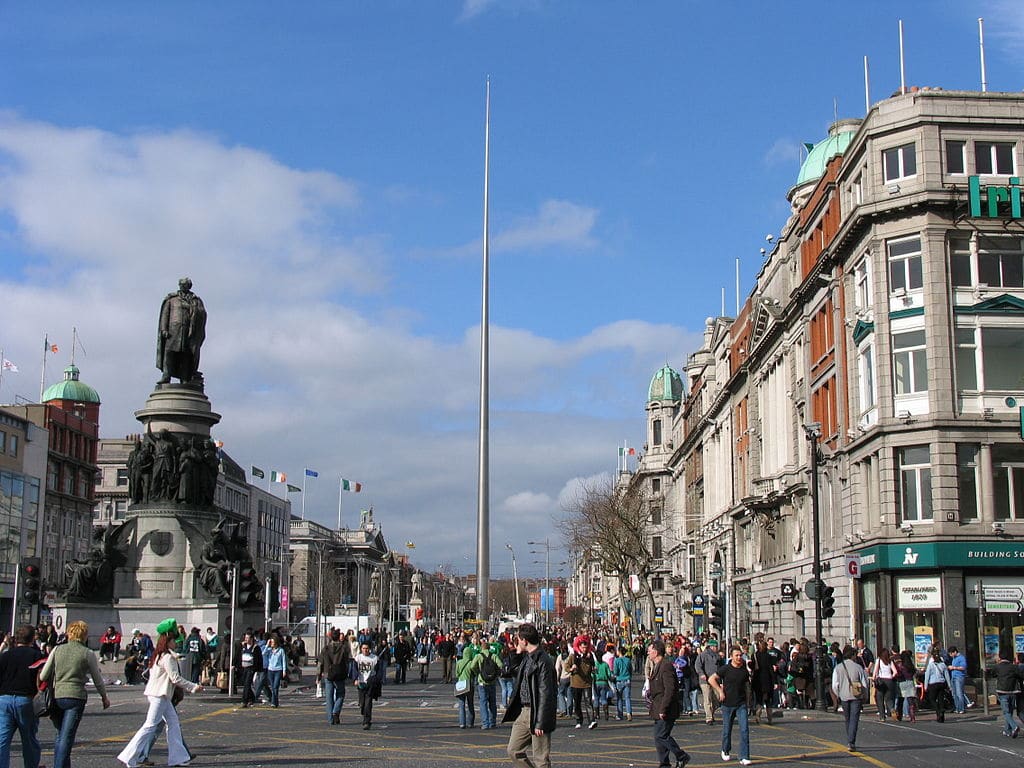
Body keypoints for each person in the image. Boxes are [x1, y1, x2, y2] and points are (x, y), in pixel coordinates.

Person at [117, 619, 202, 767]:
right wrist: (193, 686)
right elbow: (175, 678)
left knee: (173, 724)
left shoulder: (159, 655)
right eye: (173, 641)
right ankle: (129, 756)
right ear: (168, 641)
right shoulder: (167, 657)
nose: (176, 643)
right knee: (150, 726)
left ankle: (178, 757)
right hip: (160, 695)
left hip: (160, 694)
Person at [39, 620, 110, 768]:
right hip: (76, 696)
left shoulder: (57, 650)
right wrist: (104, 697)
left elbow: (43, 675)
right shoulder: (87, 653)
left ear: (69, 634)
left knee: (60, 735)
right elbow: (97, 679)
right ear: (84, 635)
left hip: (57, 696)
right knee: (67, 737)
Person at [502, 623, 556, 768]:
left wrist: (540, 721)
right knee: (513, 750)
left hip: (538, 710)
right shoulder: (527, 657)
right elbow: (515, 671)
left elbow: (546, 693)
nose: (517, 641)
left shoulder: (543, 660)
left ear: (524, 640)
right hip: (524, 711)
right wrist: (516, 652)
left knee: (541, 759)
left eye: (518, 639)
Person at [0, 625, 44, 768]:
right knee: (29, 740)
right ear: (32, 638)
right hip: (26, 698)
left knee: (3, 739)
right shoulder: (36, 655)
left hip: (4, 699)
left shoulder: (6, 655)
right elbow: (42, 677)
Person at [647, 640, 691, 768]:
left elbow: (670, 689)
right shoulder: (657, 665)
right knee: (658, 737)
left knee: (662, 735)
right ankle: (664, 763)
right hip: (657, 706)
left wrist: (663, 708)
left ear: (656, 652)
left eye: (650, 650)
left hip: (666, 708)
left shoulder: (666, 665)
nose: (648, 653)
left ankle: (682, 756)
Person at [157, 277, 207, 384]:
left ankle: (184, 378)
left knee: (185, 356)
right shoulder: (172, 299)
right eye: (182, 285)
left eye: (186, 285)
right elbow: (165, 315)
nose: (183, 287)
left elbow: (202, 315)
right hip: (173, 331)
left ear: (189, 286)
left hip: (188, 333)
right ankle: (166, 375)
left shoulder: (195, 300)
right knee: (169, 354)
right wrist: (164, 329)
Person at [708, 647, 752, 765]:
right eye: (736, 655)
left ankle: (744, 756)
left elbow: (747, 687)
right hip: (727, 704)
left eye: (740, 655)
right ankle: (725, 749)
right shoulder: (725, 669)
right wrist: (720, 691)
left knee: (744, 730)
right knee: (727, 730)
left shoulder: (744, 671)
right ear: (731, 656)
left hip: (741, 704)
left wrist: (748, 702)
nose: (739, 658)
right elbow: (711, 679)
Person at [832, 645, 869, 751]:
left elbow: (835, 684)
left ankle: (850, 739)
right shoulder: (858, 667)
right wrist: (865, 695)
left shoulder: (838, 667)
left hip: (843, 696)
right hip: (856, 696)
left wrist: (838, 694)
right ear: (852, 656)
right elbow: (864, 683)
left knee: (847, 718)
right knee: (854, 718)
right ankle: (851, 741)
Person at [318, 629, 351, 724]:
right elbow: (347, 661)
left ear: (331, 637)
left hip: (328, 673)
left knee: (329, 697)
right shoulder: (344, 648)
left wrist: (318, 676)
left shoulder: (326, 649)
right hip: (340, 673)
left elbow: (320, 663)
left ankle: (330, 719)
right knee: (340, 694)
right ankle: (336, 711)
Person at [994, 651, 1023, 738]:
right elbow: (1020, 676)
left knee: (1006, 712)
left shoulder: (997, 667)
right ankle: (1007, 730)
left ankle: (1014, 726)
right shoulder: (1014, 667)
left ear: (1000, 658)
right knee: (1010, 710)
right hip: (1013, 691)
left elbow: (992, 674)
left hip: (1002, 691)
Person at [353, 642, 381, 730]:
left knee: (368, 703)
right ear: (361, 649)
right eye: (364, 648)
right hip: (361, 683)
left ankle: (367, 721)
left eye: (367, 648)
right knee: (362, 703)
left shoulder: (374, 658)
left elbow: (378, 671)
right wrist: (355, 679)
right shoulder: (358, 658)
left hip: (370, 683)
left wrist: (376, 680)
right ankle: (364, 712)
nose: (365, 650)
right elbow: (354, 669)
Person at [695, 640, 721, 725]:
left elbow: (720, 668)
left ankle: (711, 713)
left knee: (717, 698)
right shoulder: (703, 655)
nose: (717, 648)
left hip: (715, 680)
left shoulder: (717, 656)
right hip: (705, 680)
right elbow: (698, 665)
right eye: (716, 647)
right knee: (707, 698)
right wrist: (701, 674)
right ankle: (709, 718)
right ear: (711, 647)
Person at [923, 649, 952, 722]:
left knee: (932, 699)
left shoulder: (931, 665)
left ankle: (938, 711)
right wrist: (949, 685)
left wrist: (925, 686)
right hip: (942, 683)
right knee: (941, 699)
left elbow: (927, 676)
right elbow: (947, 675)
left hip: (933, 684)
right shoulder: (943, 665)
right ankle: (941, 715)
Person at [236, 632, 263, 708]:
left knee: (247, 684)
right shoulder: (243, 646)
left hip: (251, 668)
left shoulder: (255, 648)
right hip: (244, 667)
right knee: (245, 683)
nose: (246, 640)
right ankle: (252, 698)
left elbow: (259, 659)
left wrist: (259, 669)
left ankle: (244, 701)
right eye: (245, 638)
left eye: (248, 638)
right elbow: (238, 655)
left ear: (251, 639)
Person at [264, 636, 287, 708]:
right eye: (271, 642)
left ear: (276, 642)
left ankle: (274, 702)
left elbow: (283, 661)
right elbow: (263, 654)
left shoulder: (281, 650)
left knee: (275, 686)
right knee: (272, 687)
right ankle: (275, 702)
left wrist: (284, 670)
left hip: (278, 670)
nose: (272, 644)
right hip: (270, 670)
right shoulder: (269, 650)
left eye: (273, 642)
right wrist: (267, 645)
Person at [613, 645, 633, 721]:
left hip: (619, 680)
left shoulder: (617, 660)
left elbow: (616, 672)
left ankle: (620, 714)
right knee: (627, 698)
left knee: (619, 698)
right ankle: (629, 713)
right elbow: (630, 670)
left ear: (619, 652)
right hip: (627, 679)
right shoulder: (628, 660)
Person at [948, 646, 968, 714]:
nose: (950, 655)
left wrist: (954, 667)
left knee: (959, 693)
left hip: (959, 677)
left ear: (955, 652)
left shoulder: (961, 658)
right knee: (954, 694)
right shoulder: (954, 658)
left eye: (951, 654)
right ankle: (957, 708)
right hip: (953, 677)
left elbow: (963, 667)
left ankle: (962, 708)